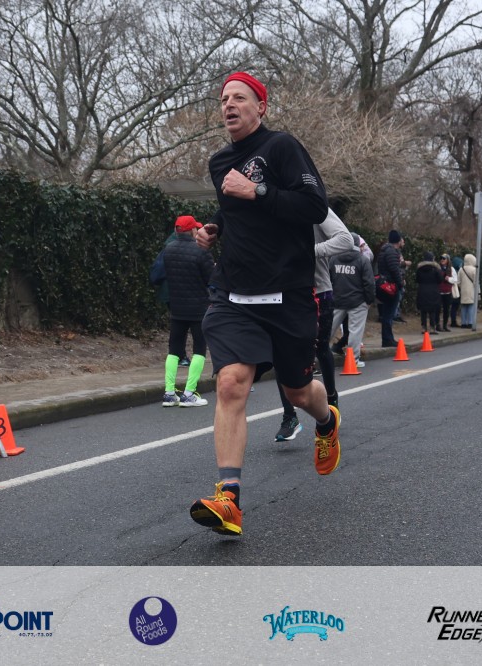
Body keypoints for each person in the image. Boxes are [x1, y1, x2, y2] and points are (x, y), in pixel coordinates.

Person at [188, 71, 341, 537]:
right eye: (223, 99)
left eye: (239, 97)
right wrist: (215, 228)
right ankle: (229, 499)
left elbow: (314, 206)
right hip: (234, 294)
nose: (229, 105)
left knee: (298, 393)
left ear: (261, 107)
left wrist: (257, 189)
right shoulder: (219, 162)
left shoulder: (281, 148)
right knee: (231, 383)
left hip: (288, 296)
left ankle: (326, 421)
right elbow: (235, 210)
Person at [274, 208, 353, 441]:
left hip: (318, 291)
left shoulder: (314, 205)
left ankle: (331, 400)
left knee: (321, 349)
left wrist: (307, 251)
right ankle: (289, 417)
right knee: (279, 354)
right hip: (282, 291)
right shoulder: (270, 204)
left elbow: (345, 240)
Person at [161, 215, 214, 407]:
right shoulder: (201, 251)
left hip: (177, 308)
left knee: (174, 349)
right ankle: (189, 393)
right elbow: (212, 279)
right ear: (192, 230)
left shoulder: (168, 250)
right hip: (199, 308)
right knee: (199, 348)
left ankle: (169, 393)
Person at [329, 233, 376, 368]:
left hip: (337, 299)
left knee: (328, 328)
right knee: (355, 331)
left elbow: (329, 278)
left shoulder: (334, 258)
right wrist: (369, 300)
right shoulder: (363, 260)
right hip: (358, 301)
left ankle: (316, 353)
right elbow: (369, 283)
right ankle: (352, 360)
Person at [376, 230, 406, 346]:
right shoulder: (392, 252)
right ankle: (388, 339)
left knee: (386, 313)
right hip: (391, 286)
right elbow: (395, 270)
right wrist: (401, 283)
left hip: (384, 284)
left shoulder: (384, 250)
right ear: (398, 240)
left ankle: (387, 338)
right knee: (389, 314)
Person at [415, 251, 443, 334]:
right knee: (432, 310)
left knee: (423, 310)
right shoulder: (436, 269)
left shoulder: (420, 269)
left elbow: (417, 279)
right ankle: (432, 327)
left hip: (422, 290)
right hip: (433, 290)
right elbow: (440, 279)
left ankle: (424, 327)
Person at [457, 253, 478, 328]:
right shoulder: (474, 269)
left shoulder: (461, 269)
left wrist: (462, 287)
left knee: (463, 307)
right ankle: (470, 322)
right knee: (471, 306)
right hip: (471, 290)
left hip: (463, 291)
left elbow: (458, 282)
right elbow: (476, 282)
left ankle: (463, 323)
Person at [437, 253, 456, 332]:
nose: (442, 260)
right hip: (439, 292)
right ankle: (437, 325)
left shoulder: (451, 269)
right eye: (441, 258)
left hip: (447, 292)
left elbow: (455, 280)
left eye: (444, 258)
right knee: (437, 309)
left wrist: (448, 279)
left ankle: (445, 325)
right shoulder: (438, 268)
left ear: (448, 260)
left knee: (446, 310)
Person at [448, 254, 462, 328]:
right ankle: (453, 321)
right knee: (454, 306)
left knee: (452, 307)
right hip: (454, 290)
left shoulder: (452, 269)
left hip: (451, 290)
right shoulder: (456, 270)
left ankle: (453, 321)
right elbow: (456, 280)